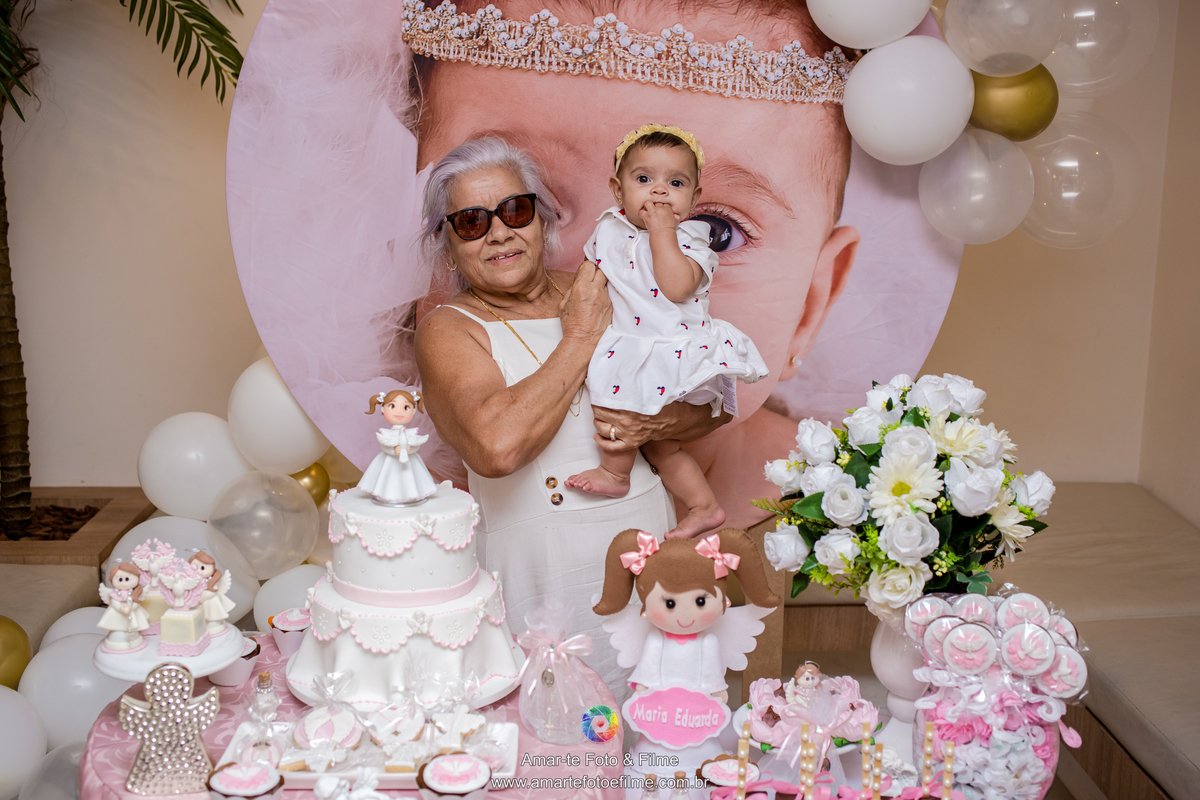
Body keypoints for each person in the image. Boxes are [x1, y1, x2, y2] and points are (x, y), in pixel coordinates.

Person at [405, 0, 861, 528]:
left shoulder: (827, 491)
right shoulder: (408, 480)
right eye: (519, 204)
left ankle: (698, 505)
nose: (571, 274)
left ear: (811, 305)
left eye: (719, 229)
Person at [413, 137, 729, 690]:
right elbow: (497, 448)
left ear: (542, 218)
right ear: (448, 245)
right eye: (471, 221)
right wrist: (581, 335)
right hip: (541, 574)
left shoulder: (608, 283)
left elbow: (713, 406)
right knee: (556, 725)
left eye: (515, 210)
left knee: (661, 716)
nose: (499, 233)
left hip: (648, 552)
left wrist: (655, 425)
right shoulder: (449, 328)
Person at [565, 125, 768, 539]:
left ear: (693, 199)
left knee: (622, 417)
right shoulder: (608, 229)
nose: (659, 192)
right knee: (661, 445)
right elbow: (591, 277)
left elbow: (676, 287)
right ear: (617, 190)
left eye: (675, 183)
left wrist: (662, 232)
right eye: (644, 179)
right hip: (628, 344)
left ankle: (614, 473)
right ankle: (703, 505)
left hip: (670, 351)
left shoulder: (692, 242)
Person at [357, 389, 438, 505]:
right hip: (390, 461)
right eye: (392, 406)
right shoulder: (386, 433)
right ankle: (389, 494)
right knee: (389, 478)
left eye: (406, 407)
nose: (399, 411)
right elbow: (385, 446)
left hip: (409, 462)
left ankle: (411, 494)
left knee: (409, 477)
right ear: (383, 409)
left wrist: (411, 449)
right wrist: (393, 450)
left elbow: (416, 445)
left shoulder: (411, 432)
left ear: (413, 411)